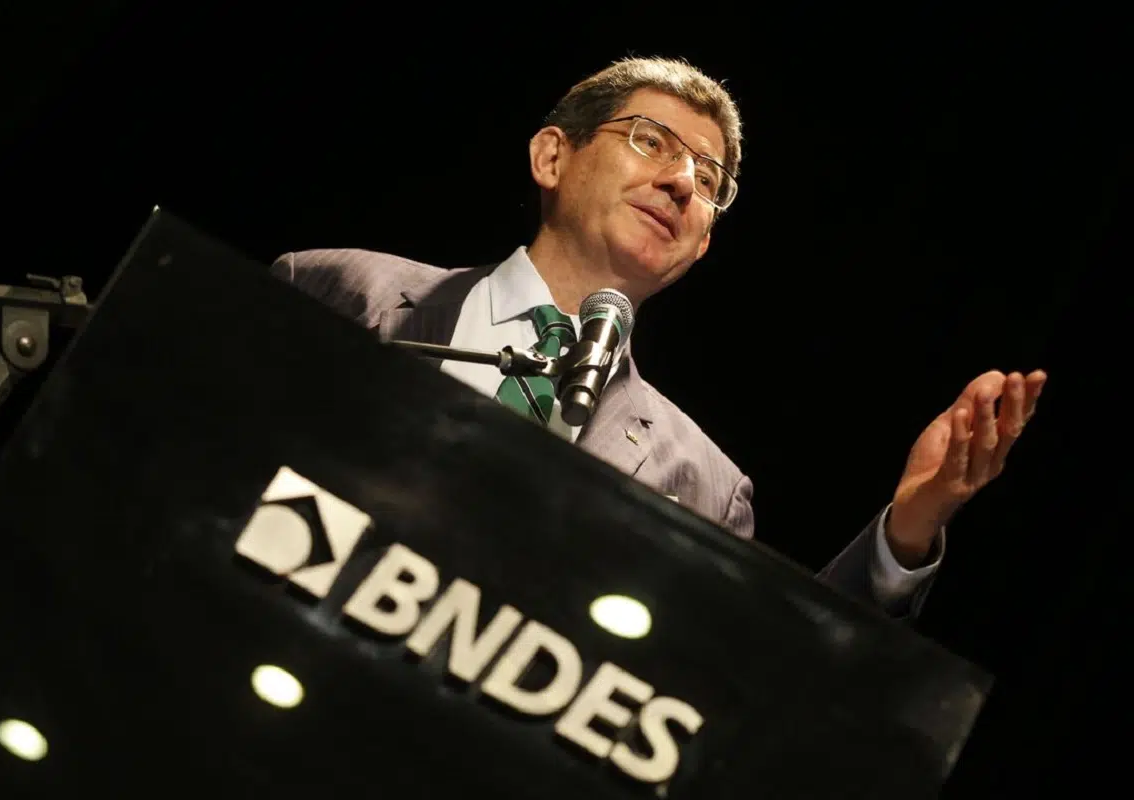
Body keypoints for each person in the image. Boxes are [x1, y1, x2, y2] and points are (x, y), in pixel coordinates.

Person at [269, 57, 1046, 619]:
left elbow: (755, 676)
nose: (681, 182)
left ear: (702, 242)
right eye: (651, 140)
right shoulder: (337, 290)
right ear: (552, 156)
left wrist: (906, 532)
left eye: (709, 181)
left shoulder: (702, 485)